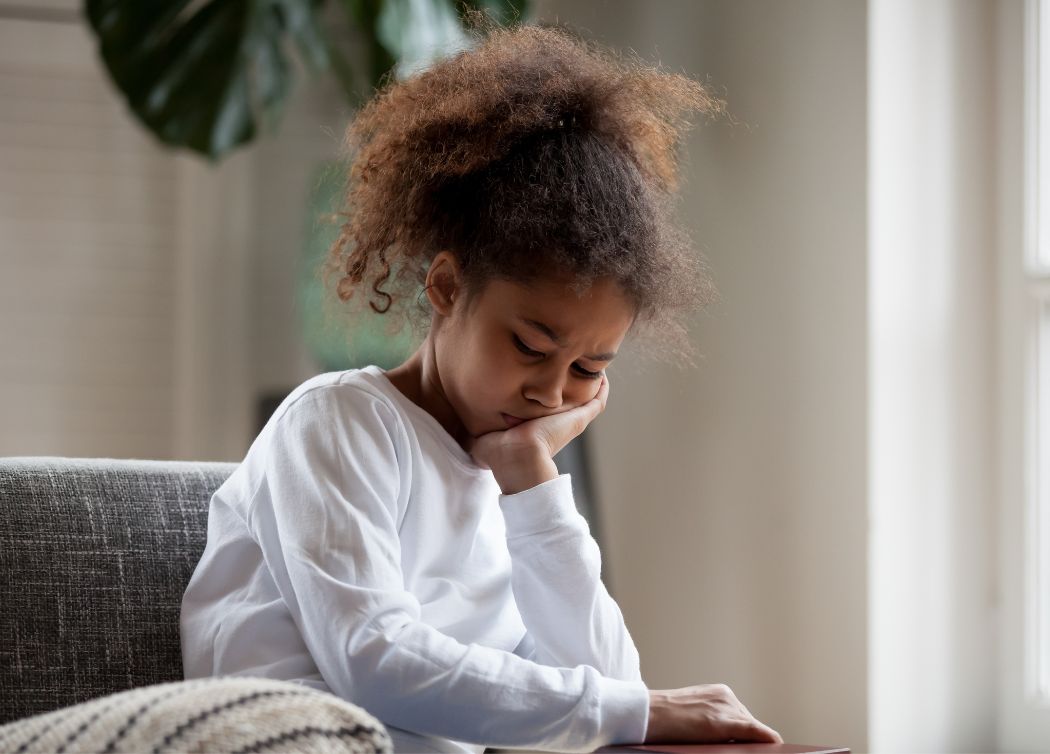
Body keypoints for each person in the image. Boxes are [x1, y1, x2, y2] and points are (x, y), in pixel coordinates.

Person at [180, 16, 783, 754]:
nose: (552, 393)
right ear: (445, 286)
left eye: (589, 370)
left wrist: (533, 482)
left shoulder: (502, 476)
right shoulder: (336, 424)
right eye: (531, 344)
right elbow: (373, 658)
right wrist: (629, 710)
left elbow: (603, 680)